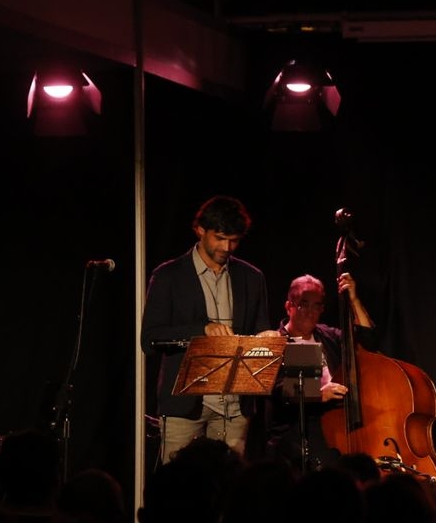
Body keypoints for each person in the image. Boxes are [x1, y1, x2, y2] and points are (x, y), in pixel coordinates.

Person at [141, 195, 281, 463]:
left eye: (234, 240)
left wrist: (267, 339)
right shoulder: (168, 275)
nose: (227, 247)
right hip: (185, 405)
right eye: (220, 238)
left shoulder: (252, 277)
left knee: (228, 490)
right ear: (200, 230)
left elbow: (261, 328)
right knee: (178, 486)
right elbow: (150, 339)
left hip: (235, 405)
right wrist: (201, 330)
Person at [263, 272, 377, 472]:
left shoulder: (328, 336)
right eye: (303, 304)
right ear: (289, 306)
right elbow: (277, 390)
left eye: (317, 306)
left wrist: (354, 299)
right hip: (296, 430)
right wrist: (319, 394)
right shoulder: (275, 340)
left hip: (336, 426)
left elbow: (368, 342)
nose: (310, 311)